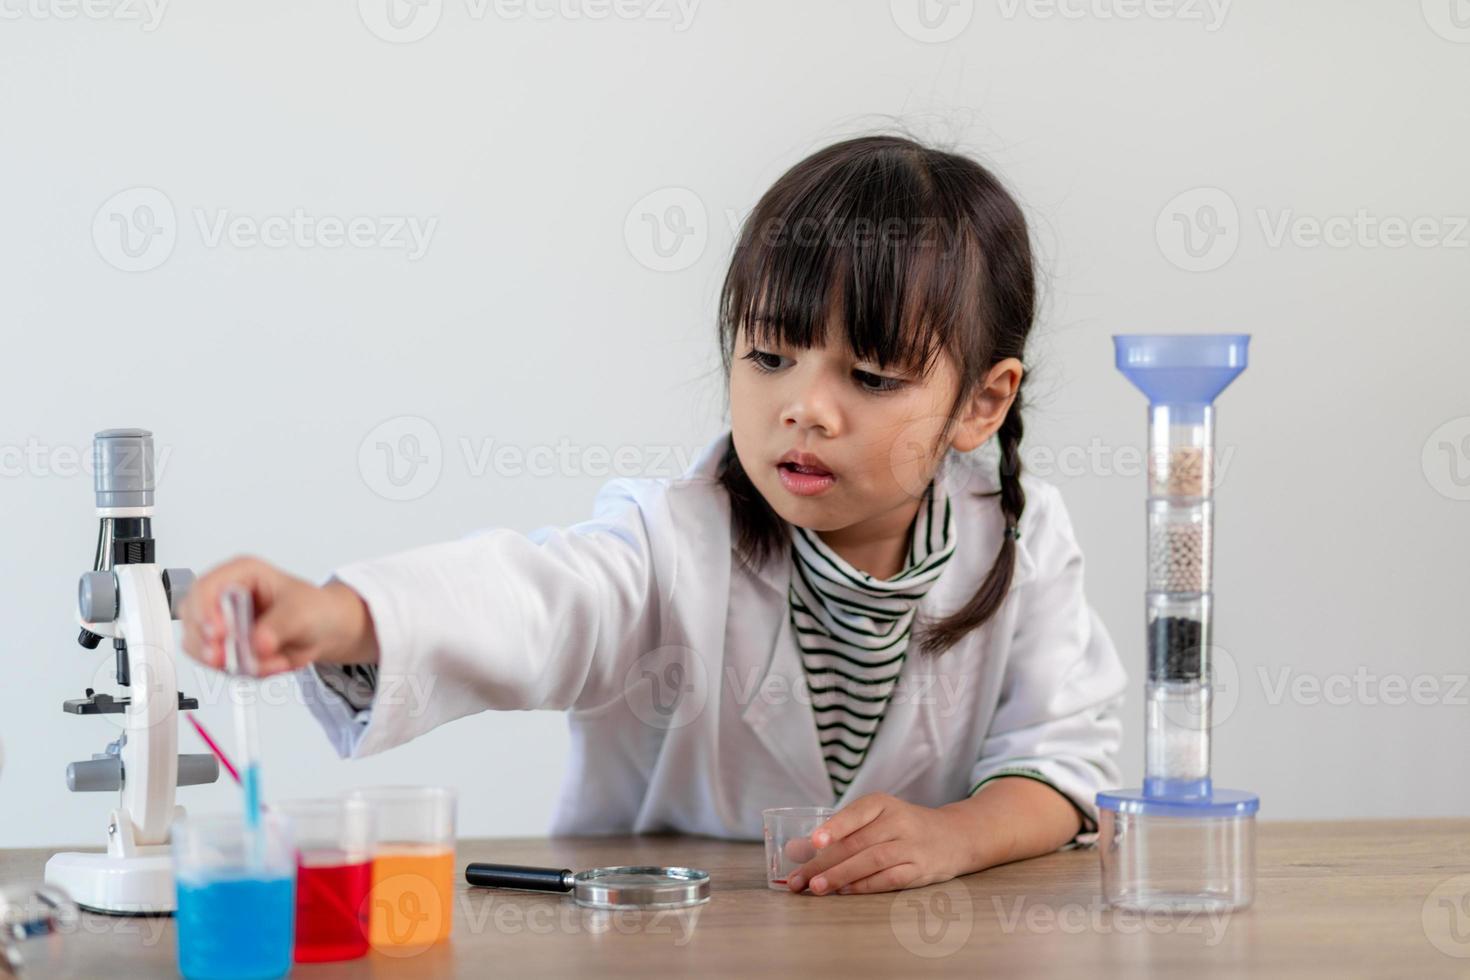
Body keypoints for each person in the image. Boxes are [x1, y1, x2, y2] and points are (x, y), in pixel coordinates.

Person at [179, 134, 1126, 897]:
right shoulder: (672, 538)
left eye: (870, 376)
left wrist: (954, 837)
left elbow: (1063, 764)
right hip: (660, 931)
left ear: (983, 403)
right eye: (768, 358)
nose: (804, 407)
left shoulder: (1023, 534)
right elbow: (537, 601)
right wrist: (340, 614)